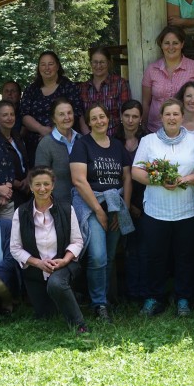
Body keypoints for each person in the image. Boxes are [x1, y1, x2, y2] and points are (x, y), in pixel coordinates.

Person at [132, 98, 194, 317]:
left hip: (188, 210)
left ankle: (183, 299)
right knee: (155, 256)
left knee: (185, 256)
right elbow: (136, 171)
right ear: (160, 117)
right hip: (156, 210)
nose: (172, 118)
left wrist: (185, 179)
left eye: (175, 114)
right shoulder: (148, 141)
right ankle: (154, 298)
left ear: (182, 117)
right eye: (167, 114)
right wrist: (157, 180)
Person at [70, 103, 133, 322]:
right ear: (88, 123)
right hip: (91, 204)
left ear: (109, 119)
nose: (99, 121)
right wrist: (99, 210)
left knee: (109, 255)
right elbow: (78, 179)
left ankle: (105, 300)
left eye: (102, 117)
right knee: (97, 255)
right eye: (94, 118)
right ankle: (98, 304)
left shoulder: (117, 146)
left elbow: (126, 178)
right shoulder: (82, 144)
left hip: (115, 204)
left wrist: (120, 210)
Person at [10, 166, 88, 333]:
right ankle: (68, 297)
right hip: (35, 272)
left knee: (56, 284)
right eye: (37, 184)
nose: (42, 188)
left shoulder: (67, 209)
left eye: (46, 184)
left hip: (63, 266)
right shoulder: (21, 212)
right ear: (30, 187)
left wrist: (65, 260)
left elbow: (77, 241)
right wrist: (38, 263)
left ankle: (79, 325)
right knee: (46, 314)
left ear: (53, 185)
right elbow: (15, 248)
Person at [142, 25, 194, 133]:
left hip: (188, 130)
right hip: (156, 129)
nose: (171, 47)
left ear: (182, 44)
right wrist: (144, 128)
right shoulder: (151, 69)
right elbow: (146, 103)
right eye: (167, 43)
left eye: (175, 43)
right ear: (161, 45)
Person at [21, 51, 83, 164]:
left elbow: (77, 112)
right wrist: (41, 129)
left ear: (58, 66)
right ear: (38, 67)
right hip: (34, 144)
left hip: (64, 141)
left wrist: (53, 133)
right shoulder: (31, 89)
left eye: (50, 64)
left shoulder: (68, 87)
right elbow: (24, 115)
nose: (47, 68)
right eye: (43, 64)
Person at [114, 100, 147, 302]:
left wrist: (139, 206)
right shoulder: (112, 141)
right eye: (127, 115)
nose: (131, 120)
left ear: (141, 118)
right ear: (121, 117)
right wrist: (128, 206)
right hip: (120, 202)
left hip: (147, 203)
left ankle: (144, 291)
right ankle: (129, 292)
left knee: (144, 248)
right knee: (127, 249)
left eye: (135, 116)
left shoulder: (149, 140)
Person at [34, 98, 80, 207]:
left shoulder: (81, 140)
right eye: (61, 114)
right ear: (53, 119)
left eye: (69, 113)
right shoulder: (46, 144)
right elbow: (40, 179)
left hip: (84, 202)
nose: (67, 117)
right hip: (57, 205)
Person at [78, 46, 131, 136]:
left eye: (102, 62)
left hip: (115, 137)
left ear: (109, 63)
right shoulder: (83, 88)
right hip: (90, 138)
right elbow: (81, 115)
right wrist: (89, 138)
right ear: (91, 63)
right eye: (95, 62)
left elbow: (125, 113)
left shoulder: (120, 84)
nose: (98, 66)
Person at [0, 100, 30, 208]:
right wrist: (16, 183)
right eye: (5, 115)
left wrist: (28, 178)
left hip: (25, 188)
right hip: (7, 192)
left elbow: (25, 161)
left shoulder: (16, 135)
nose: (9, 118)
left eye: (12, 114)